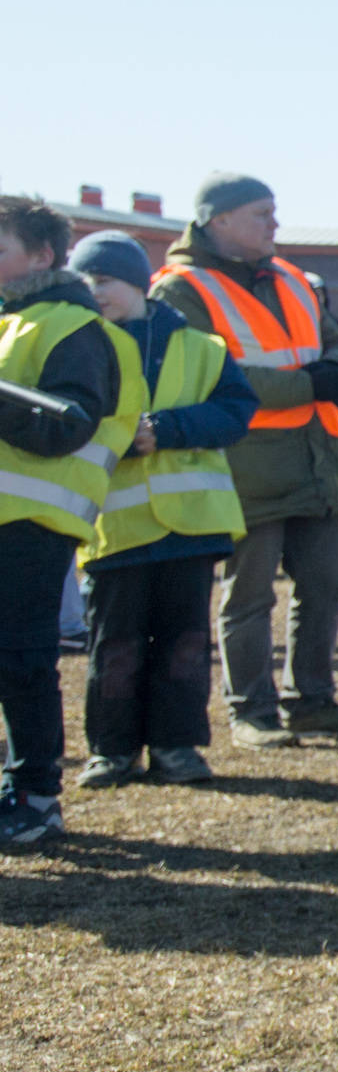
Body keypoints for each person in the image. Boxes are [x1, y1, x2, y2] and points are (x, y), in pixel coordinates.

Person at [153, 171, 338, 747]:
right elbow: (215, 377)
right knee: (248, 594)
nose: (274, 224)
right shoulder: (179, 290)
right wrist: (313, 383)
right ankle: (251, 711)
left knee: (324, 587)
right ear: (216, 220)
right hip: (245, 466)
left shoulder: (292, 278)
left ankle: (313, 701)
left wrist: (337, 373)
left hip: (316, 462)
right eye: (261, 213)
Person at [68, 231, 254, 792]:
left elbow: (235, 410)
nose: (94, 291)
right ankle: (112, 751)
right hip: (115, 528)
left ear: (137, 282)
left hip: (191, 528)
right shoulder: (78, 347)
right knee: (114, 644)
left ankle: (177, 747)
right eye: (84, 282)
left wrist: (168, 430)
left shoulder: (201, 346)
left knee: (184, 644)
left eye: (104, 280)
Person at [0, 199, 141, 846]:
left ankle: (34, 798)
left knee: (22, 659)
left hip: (30, 522)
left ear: (43, 255)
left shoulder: (71, 329)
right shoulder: (14, 322)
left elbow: (65, 424)